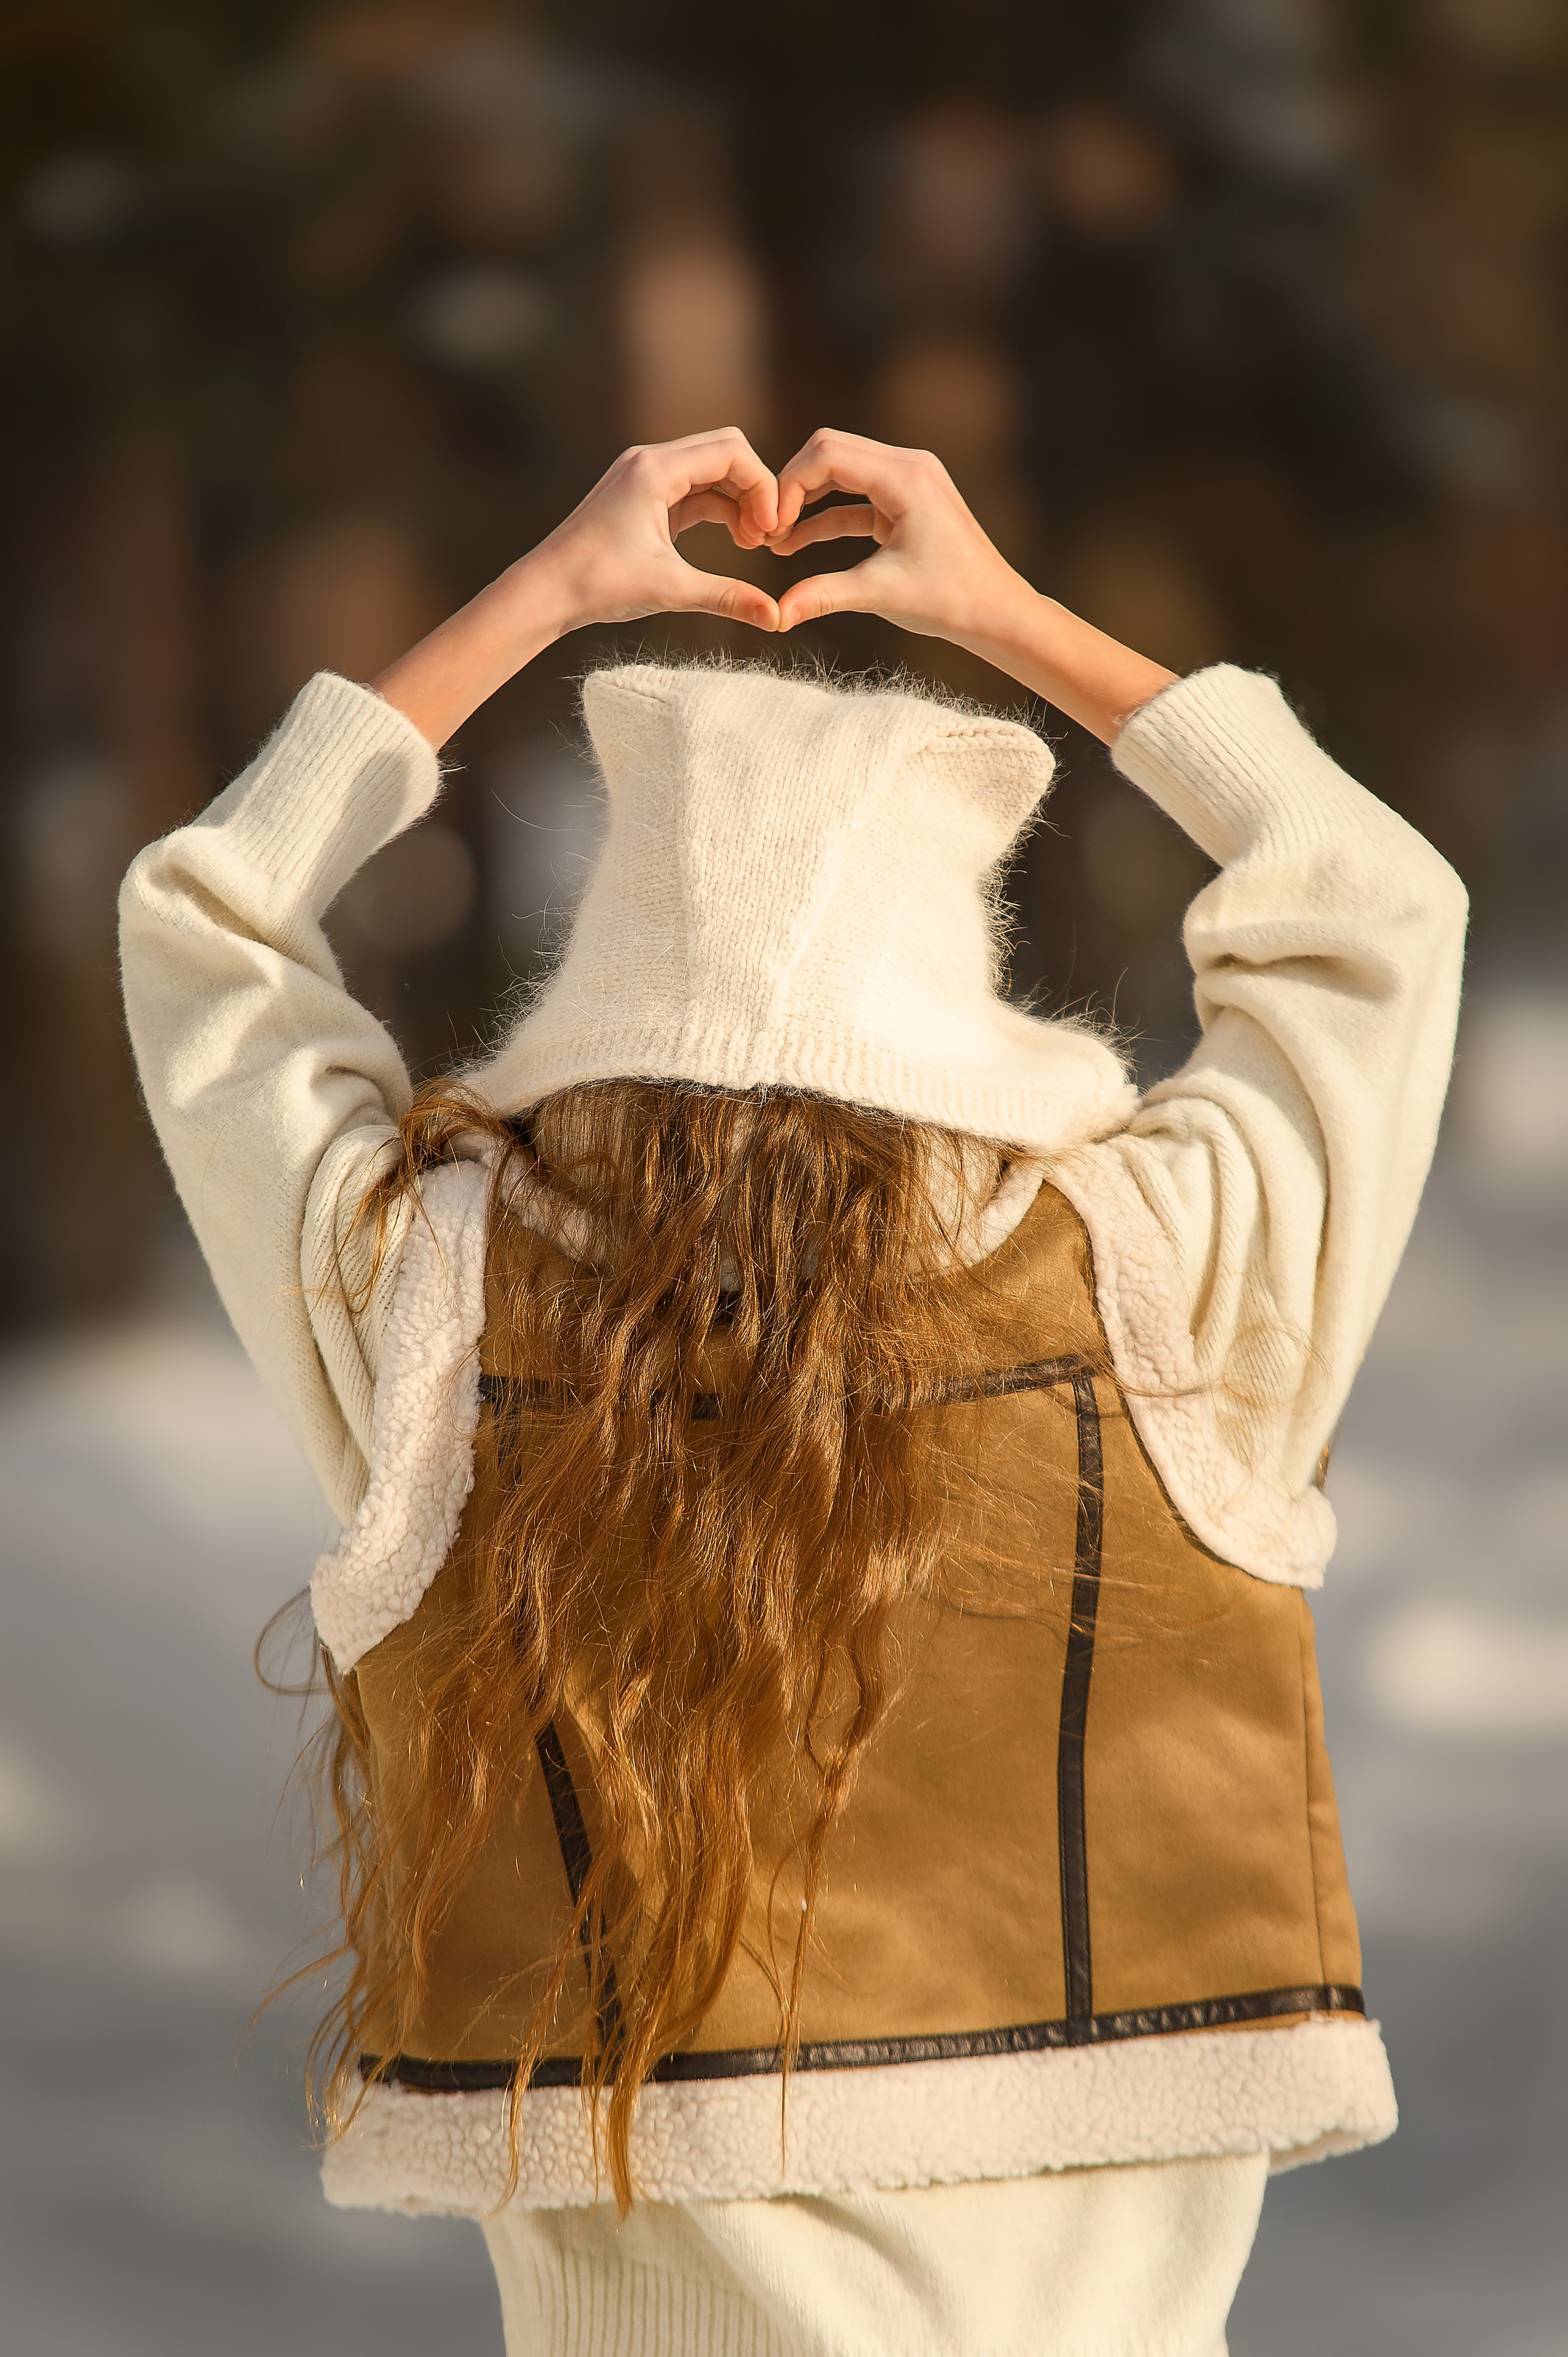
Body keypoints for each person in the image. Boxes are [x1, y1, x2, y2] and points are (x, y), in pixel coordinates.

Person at [119, 428, 1468, 2357]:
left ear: (605, 1004)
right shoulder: (1163, 1270)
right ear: (963, 1009)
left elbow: (203, 929)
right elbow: (1377, 913)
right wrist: (1008, 615)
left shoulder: (438, 1298)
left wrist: (552, 592)